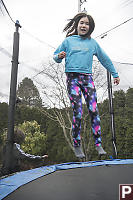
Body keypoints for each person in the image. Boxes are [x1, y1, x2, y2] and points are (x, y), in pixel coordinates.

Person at [53, 12, 120, 159]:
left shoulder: (92, 43)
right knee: (77, 111)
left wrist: (114, 73)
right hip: (72, 79)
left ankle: (98, 144)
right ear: (77, 24)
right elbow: (55, 56)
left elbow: (104, 58)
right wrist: (59, 56)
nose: (84, 25)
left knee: (94, 110)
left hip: (87, 79)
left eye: (87, 24)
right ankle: (77, 144)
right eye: (82, 23)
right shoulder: (68, 41)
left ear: (90, 28)